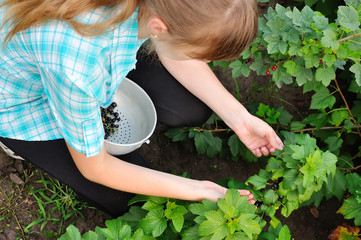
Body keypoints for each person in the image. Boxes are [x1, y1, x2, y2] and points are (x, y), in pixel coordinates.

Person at [0, 0, 284, 218]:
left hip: (85, 53)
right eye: (198, 55)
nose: (204, 63)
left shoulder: (158, 11)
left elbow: (174, 38)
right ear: (159, 28)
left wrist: (241, 119)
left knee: (187, 109)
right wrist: (201, 190)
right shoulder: (77, 65)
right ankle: (16, 144)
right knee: (128, 201)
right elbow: (96, 167)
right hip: (21, 104)